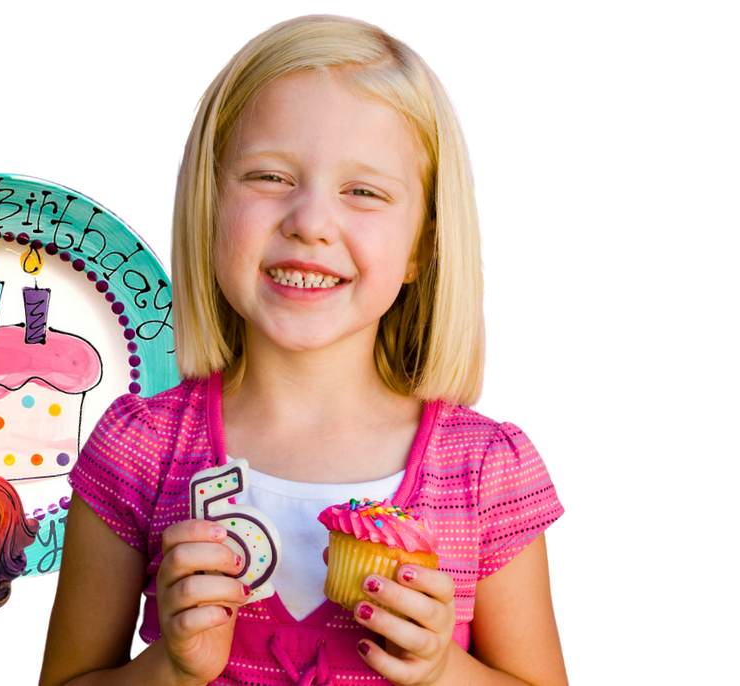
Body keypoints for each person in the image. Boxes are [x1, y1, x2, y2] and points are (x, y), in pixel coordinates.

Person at [38, 12, 568, 686]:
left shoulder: (489, 473)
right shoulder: (136, 452)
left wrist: (443, 672)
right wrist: (169, 670)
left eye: (364, 192)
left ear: (422, 248)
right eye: (269, 178)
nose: (311, 222)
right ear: (209, 206)